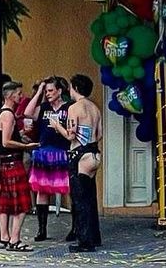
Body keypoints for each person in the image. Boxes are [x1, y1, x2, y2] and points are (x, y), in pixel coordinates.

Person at [24, 77, 73, 241]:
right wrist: (39, 91)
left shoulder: (68, 107)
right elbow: (28, 113)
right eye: (47, 91)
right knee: (42, 191)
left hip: (63, 151)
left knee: (69, 190)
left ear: (59, 91)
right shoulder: (44, 107)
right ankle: (42, 229)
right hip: (44, 152)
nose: (48, 94)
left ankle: (75, 227)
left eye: (51, 90)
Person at [0, 81, 38, 252]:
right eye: (19, 94)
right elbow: (6, 141)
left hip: (5, 163)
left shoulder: (4, 113)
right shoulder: (8, 115)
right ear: (11, 96)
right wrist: (26, 147)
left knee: (4, 201)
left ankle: (5, 236)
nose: (21, 96)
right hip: (12, 162)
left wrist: (20, 138)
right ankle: (15, 239)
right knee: (22, 202)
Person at [66, 74, 102, 253]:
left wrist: (58, 127)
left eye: (71, 87)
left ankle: (85, 241)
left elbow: (71, 135)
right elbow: (100, 133)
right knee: (91, 198)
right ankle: (94, 236)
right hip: (94, 154)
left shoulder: (74, 108)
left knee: (80, 200)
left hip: (80, 154)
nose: (69, 90)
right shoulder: (95, 108)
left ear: (76, 88)